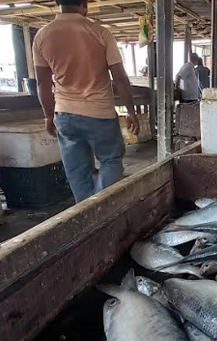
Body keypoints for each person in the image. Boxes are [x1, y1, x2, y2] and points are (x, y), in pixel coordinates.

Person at [33, 0, 138, 203]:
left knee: (76, 170)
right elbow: (120, 77)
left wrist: (48, 115)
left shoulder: (42, 36)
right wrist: (131, 111)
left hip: (64, 114)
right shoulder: (100, 32)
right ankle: (101, 206)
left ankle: (87, 210)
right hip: (100, 114)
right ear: (84, 3)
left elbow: (42, 83)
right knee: (111, 159)